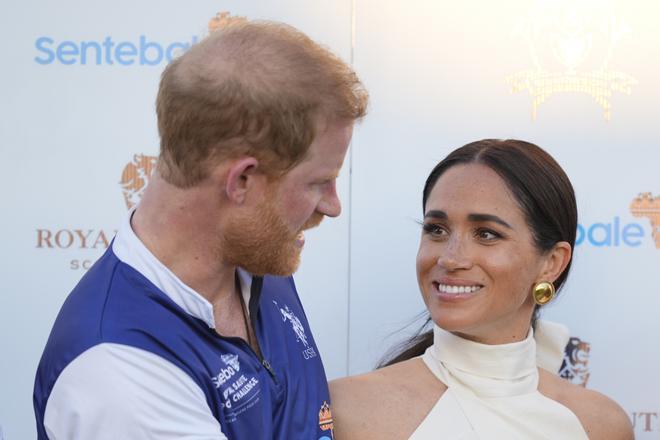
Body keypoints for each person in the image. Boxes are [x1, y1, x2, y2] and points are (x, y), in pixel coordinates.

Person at [34, 20, 367, 440]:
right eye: (319, 182)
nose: (332, 206)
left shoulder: (258, 256)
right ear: (242, 180)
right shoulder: (122, 376)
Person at [330, 139, 633, 439]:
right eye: (436, 229)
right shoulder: (346, 411)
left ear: (552, 263)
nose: (450, 257)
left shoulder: (602, 425)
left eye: (487, 234)